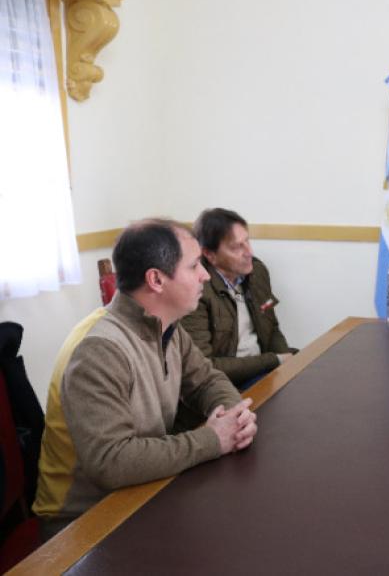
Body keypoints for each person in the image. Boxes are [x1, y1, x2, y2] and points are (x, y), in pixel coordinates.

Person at [32, 220, 257, 538]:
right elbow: (111, 462)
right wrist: (212, 439)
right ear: (156, 280)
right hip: (84, 522)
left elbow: (206, 379)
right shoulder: (98, 351)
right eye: (194, 266)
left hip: (140, 493)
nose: (205, 275)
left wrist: (235, 417)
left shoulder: (165, 326)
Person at [181, 208, 295, 389]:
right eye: (236, 247)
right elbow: (205, 366)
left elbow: (271, 327)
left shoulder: (257, 271)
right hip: (226, 385)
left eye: (247, 241)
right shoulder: (197, 290)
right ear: (209, 255)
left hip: (265, 369)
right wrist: (275, 360)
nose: (249, 252)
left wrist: (290, 366)